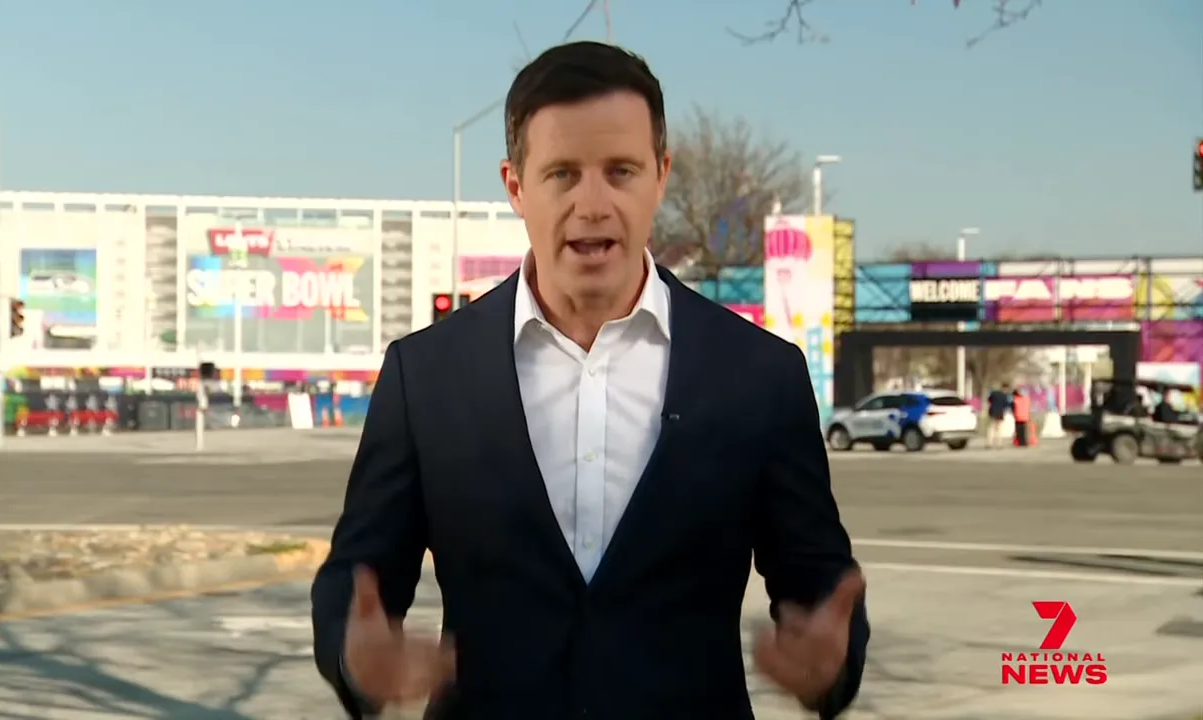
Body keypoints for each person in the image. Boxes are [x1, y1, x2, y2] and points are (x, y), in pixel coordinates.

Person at [311, 40, 869, 720]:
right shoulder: (425, 376)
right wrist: (356, 656)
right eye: (563, 174)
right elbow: (359, 576)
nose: (594, 203)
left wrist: (829, 666)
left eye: (621, 171)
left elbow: (818, 581)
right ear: (516, 185)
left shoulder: (759, 375)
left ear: (661, 176)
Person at [985, 383, 1011, 449]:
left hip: (993, 412)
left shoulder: (994, 393)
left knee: (991, 428)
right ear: (1006, 389)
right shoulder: (1005, 395)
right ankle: (999, 444)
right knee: (999, 428)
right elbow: (1006, 405)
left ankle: (989, 443)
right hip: (1000, 413)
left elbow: (989, 400)